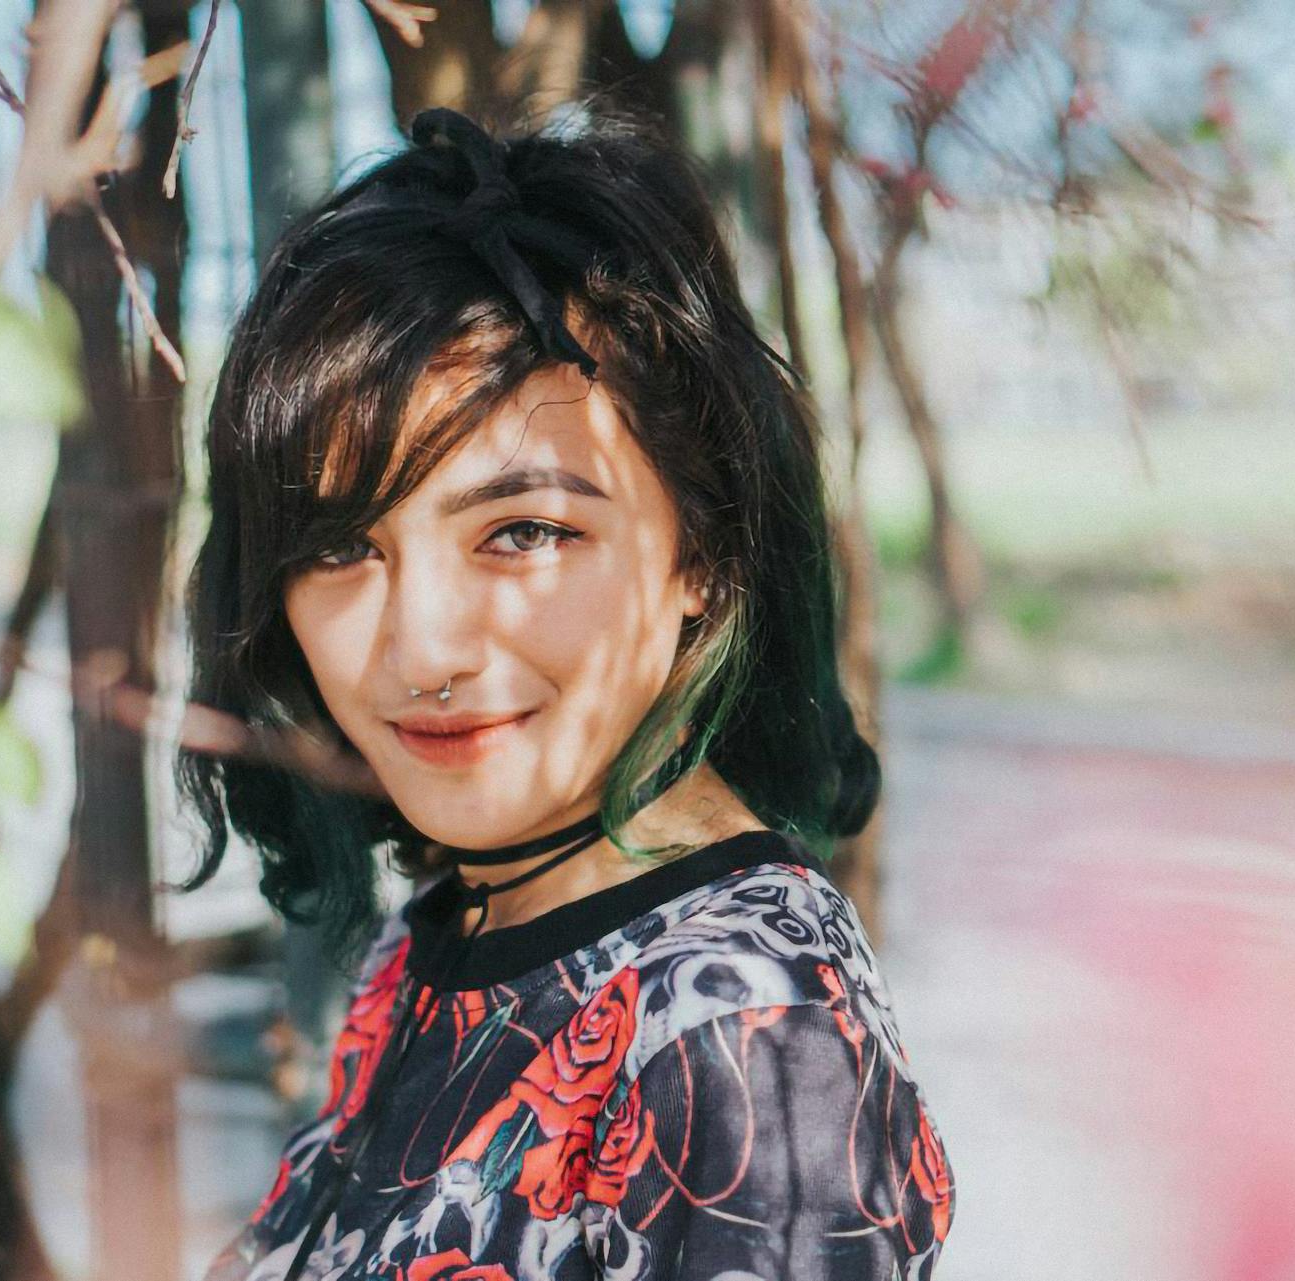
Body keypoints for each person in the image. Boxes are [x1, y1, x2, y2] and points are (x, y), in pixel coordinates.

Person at [175, 106, 955, 1281]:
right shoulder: (446, 929)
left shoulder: (746, 1037)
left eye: (525, 531)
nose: (424, 649)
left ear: (708, 551)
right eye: (340, 548)